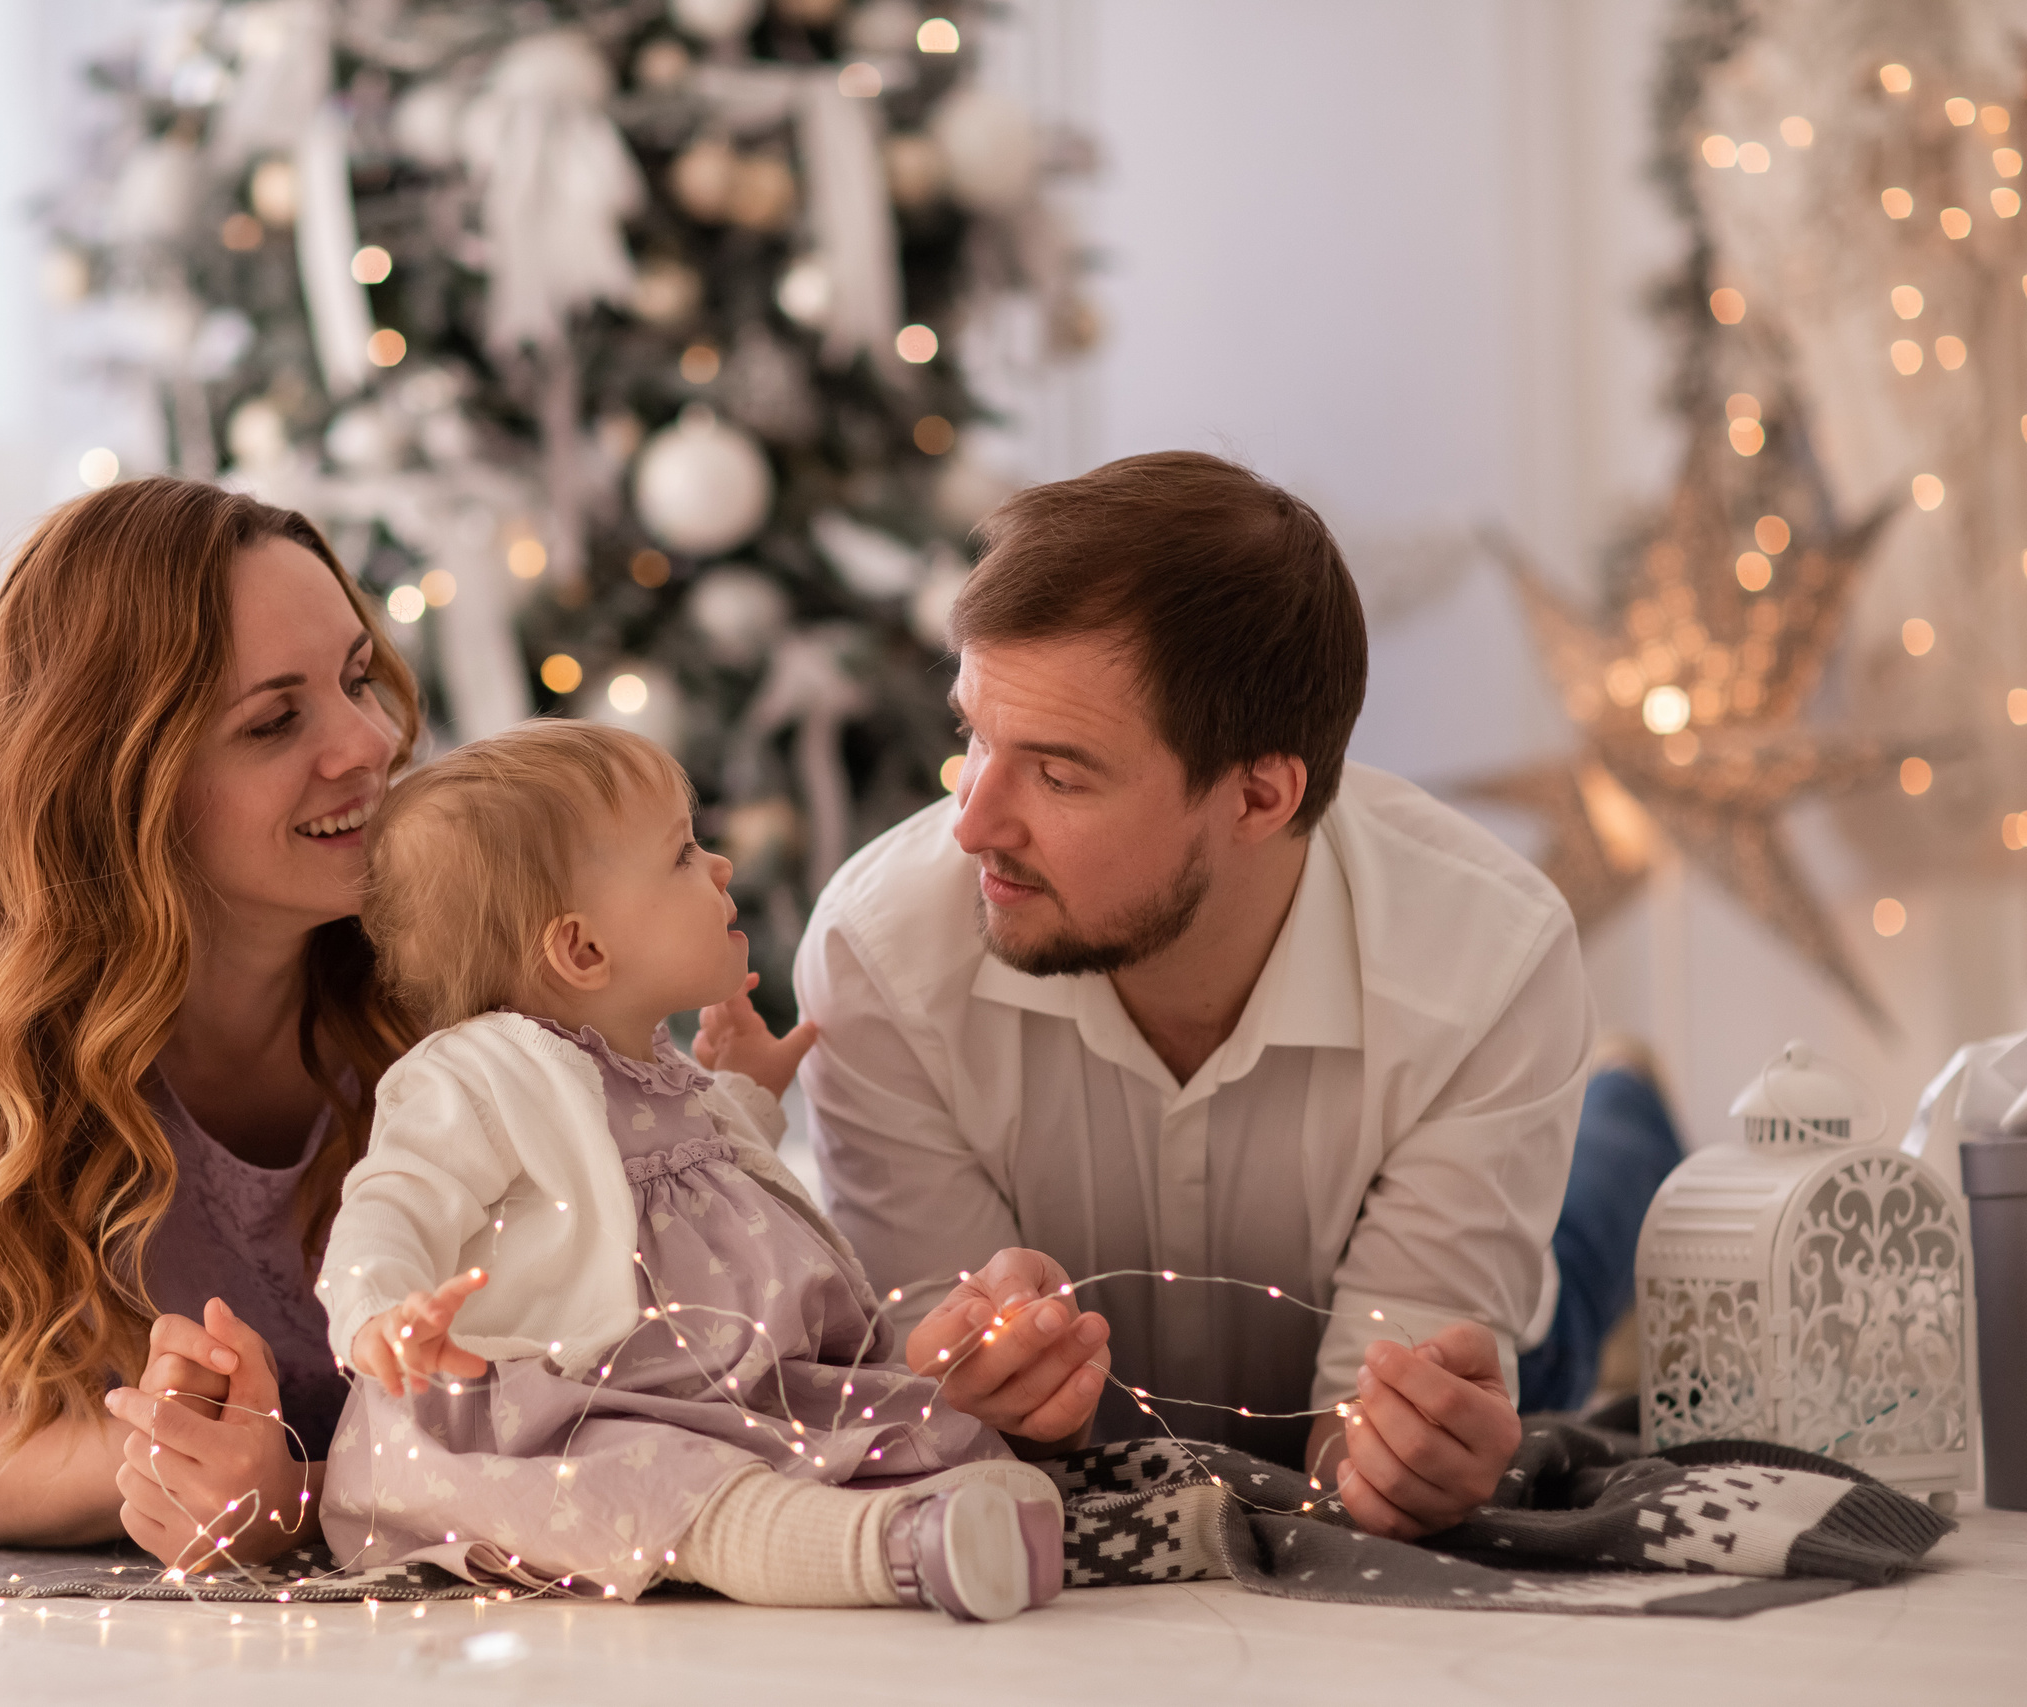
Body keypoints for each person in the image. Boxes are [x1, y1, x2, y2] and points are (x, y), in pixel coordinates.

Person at [794, 451, 1597, 1541]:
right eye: (974, 735)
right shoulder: (881, 955)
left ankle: (1626, 1108)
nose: (972, 822)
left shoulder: (1488, 965)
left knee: (1587, 1256)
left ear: (1259, 796)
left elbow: (1359, 1446)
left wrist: (1400, 1461)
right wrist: (990, 1406)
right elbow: (956, 1431)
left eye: (1059, 774)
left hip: (1518, 1292)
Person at [317, 721, 1063, 1622]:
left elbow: (694, 1170)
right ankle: (882, 1550)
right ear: (582, 951)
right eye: (681, 854)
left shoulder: (652, 1066)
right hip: (563, 1416)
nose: (719, 865)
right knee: (666, 1483)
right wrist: (379, 1313)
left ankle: (965, 1522)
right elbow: (389, 1204)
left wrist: (744, 1090)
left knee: (928, 1426)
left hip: (720, 1389)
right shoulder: (478, 1074)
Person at [0, 477, 422, 1569]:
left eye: (357, 679)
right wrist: (180, 1455)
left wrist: (295, 1495)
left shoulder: (451, 987)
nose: (370, 741)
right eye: (274, 721)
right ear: (117, 784)